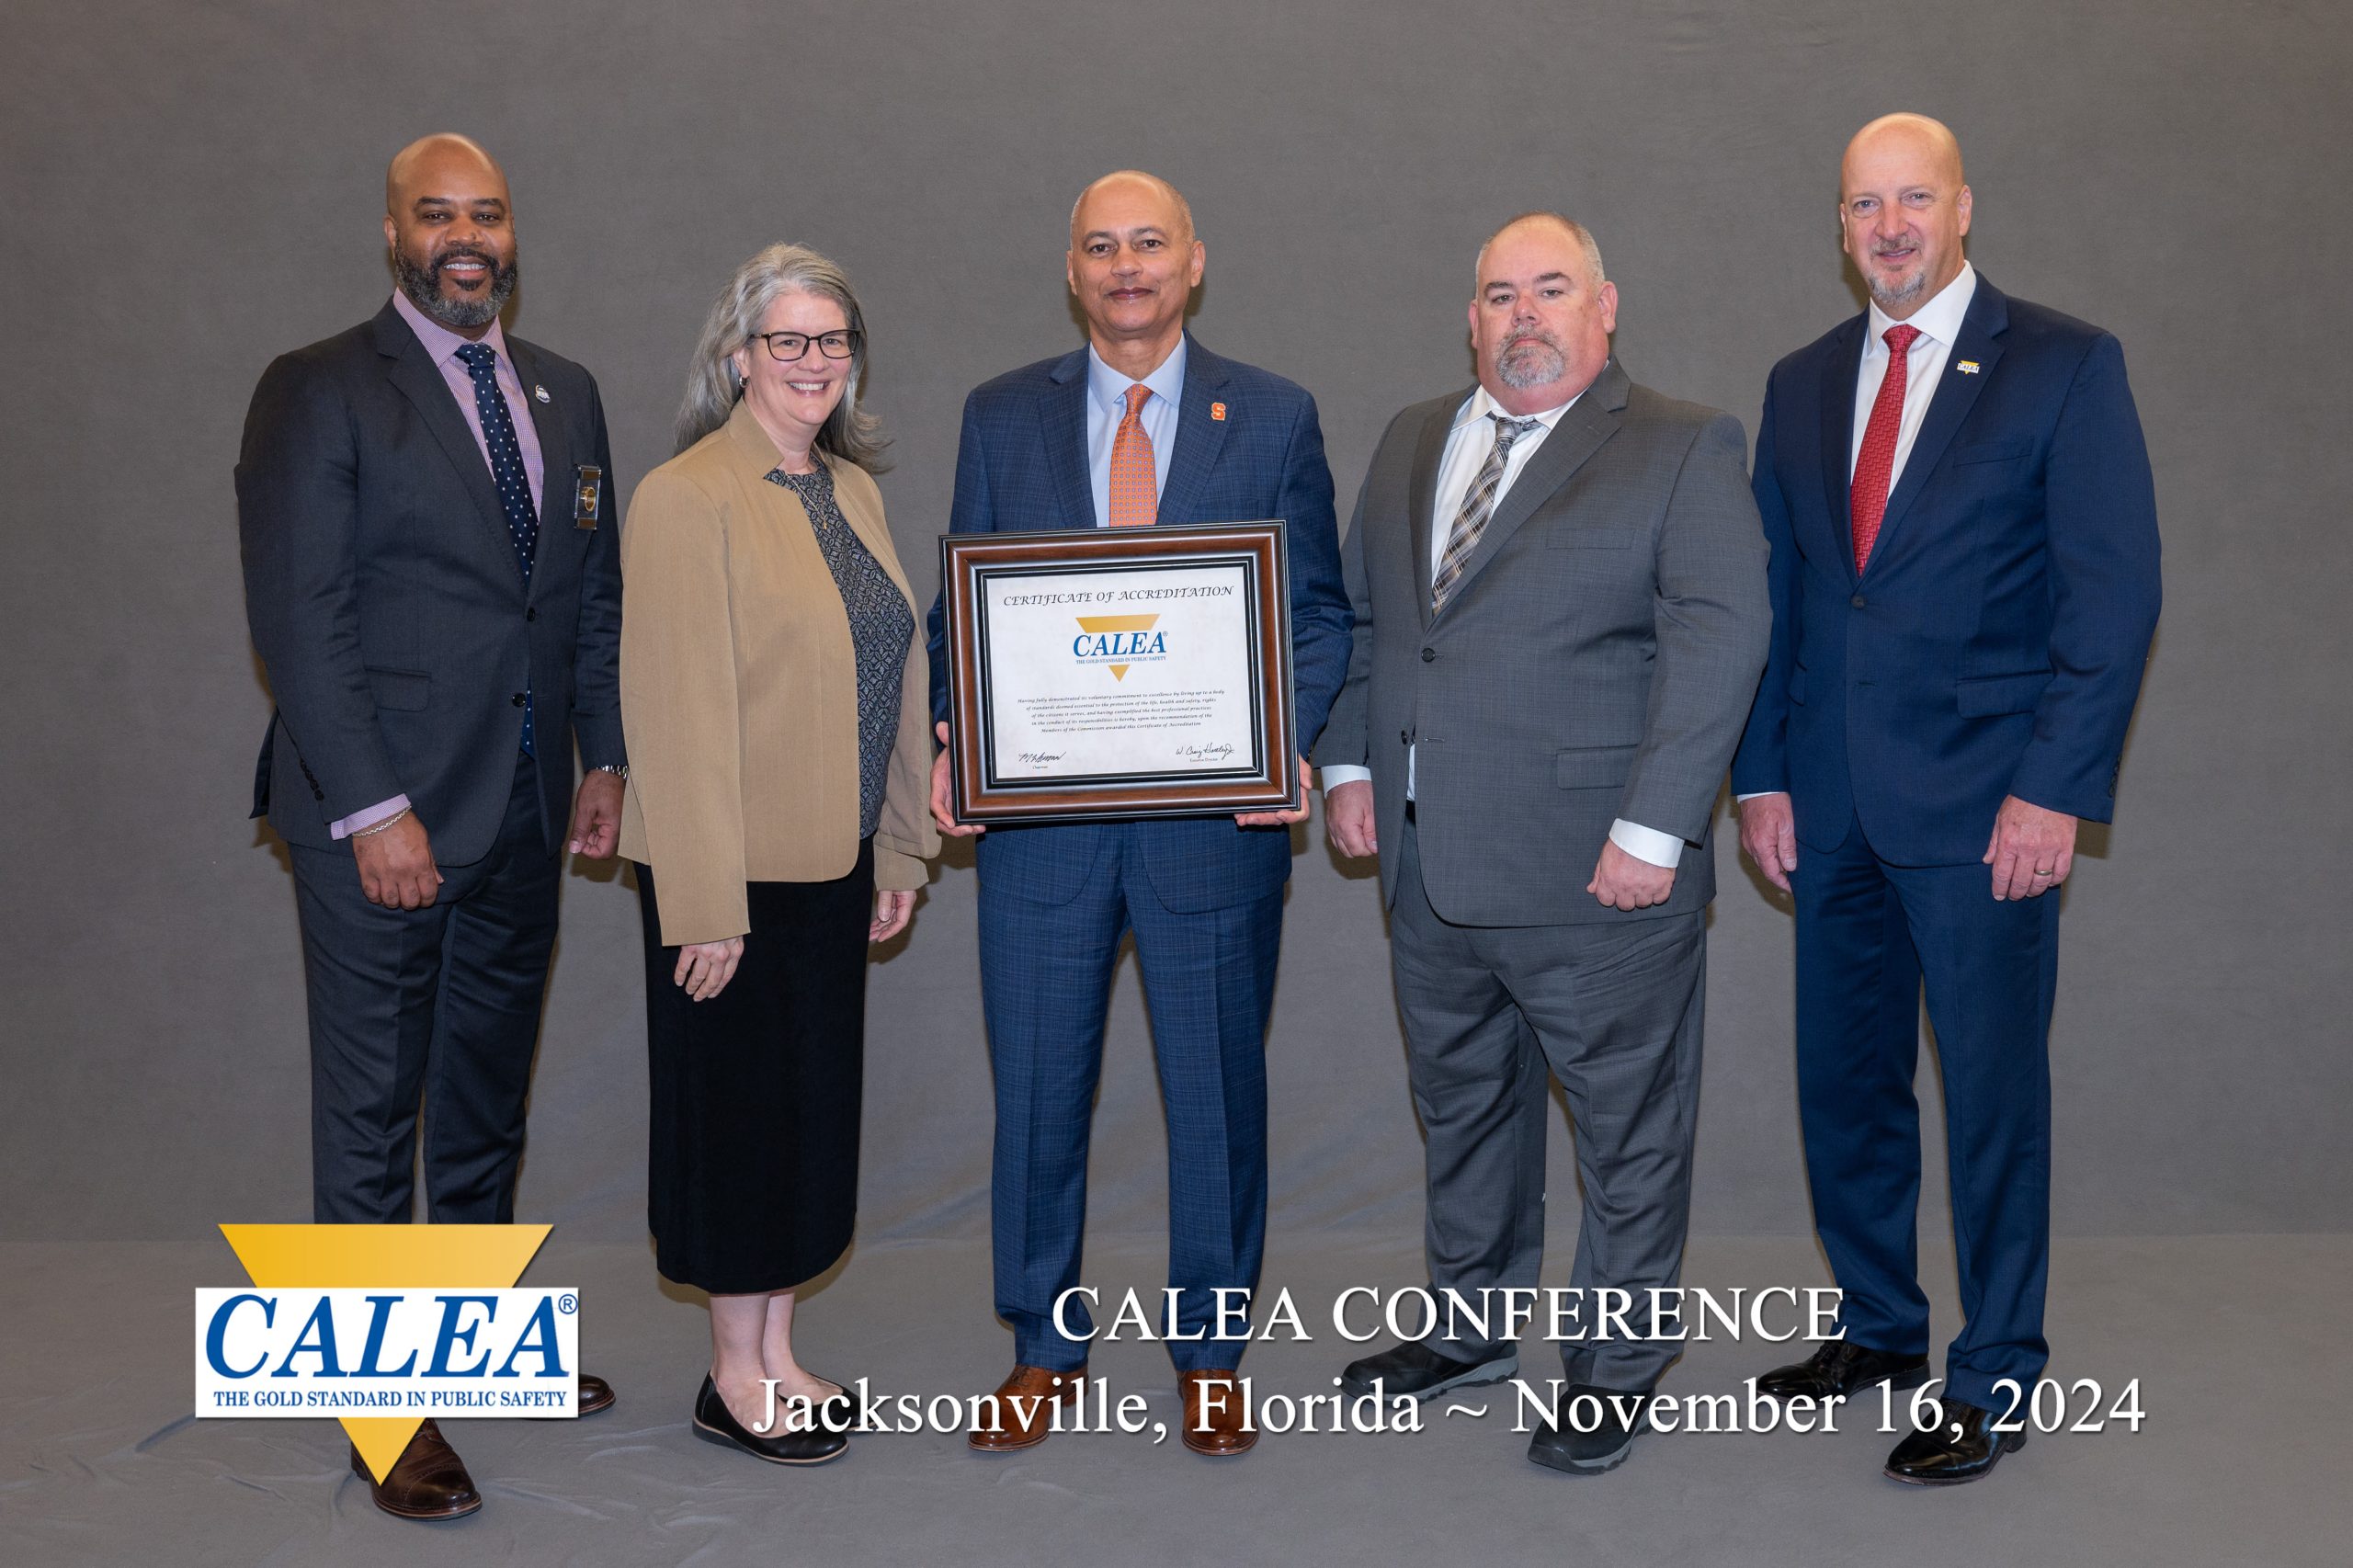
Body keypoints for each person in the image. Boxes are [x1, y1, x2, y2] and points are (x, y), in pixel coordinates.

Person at [1730, 114, 2161, 1485]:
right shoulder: (1802, 383)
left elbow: (2116, 592)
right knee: (1846, 1086)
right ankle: (1879, 1325)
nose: (1893, 225)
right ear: (1841, 223)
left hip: (1988, 813)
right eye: (1867, 203)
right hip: (1832, 806)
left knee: (1987, 1097)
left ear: (1964, 207)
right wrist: (1761, 772)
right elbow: (1784, 597)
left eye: (1916, 198)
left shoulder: (2063, 364)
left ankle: (1996, 1370)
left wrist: (2054, 790)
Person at [1316, 213, 1770, 1476]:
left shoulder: (1682, 445)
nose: (1524, 313)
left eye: (1551, 288)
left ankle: (1616, 1366)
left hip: (1598, 871)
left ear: (1604, 305)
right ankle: (1467, 1331)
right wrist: (1352, 762)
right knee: (1462, 1110)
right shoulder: (1415, 436)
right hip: (1427, 867)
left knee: (1627, 1130)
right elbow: (1369, 620)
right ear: (1471, 318)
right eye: (1500, 293)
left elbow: (1720, 639)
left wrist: (1658, 826)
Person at [923, 171, 1351, 1458]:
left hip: (1210, 831)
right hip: (1041, 833)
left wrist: (1287, 744)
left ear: (1193, 263)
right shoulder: (1001, 416)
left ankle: (1212, 1353)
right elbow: (966, 608)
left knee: (1216, 1093)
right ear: (1072, 272)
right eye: (1101, 247)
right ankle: (1043, 1347)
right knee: (1039, 1093)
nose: (1126, 267)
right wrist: (958, 733)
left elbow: (1320, 615)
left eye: (1148, 243)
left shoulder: (1273, 416)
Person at [234, 133, 624, 1520]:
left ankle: (472, 1345)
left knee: (477, 1109)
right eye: (436, 213)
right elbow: (302, 618)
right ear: (392, 230)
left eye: (490, 213)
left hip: (524, 811)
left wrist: (607, 761)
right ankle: (385, 1415)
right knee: (371, 1114)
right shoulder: (322, 390)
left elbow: (584, 604)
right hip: (377, 824)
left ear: (514, 232)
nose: (467, 236)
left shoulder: (563, 393)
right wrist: (373, 807)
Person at [620, 244, 938, 1467]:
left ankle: (781, 1349)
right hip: (729, 878)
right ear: (738, 357)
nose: (814, 363)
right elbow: (677, 715)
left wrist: (902, 848)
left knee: (808, 1121)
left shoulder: (849, 488)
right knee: (740, 1128)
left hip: (833, 866)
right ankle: (730, 1374)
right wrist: (703, 902)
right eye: (789, 341)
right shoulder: (684, 496)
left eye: (833, 341)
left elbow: (895, 672)